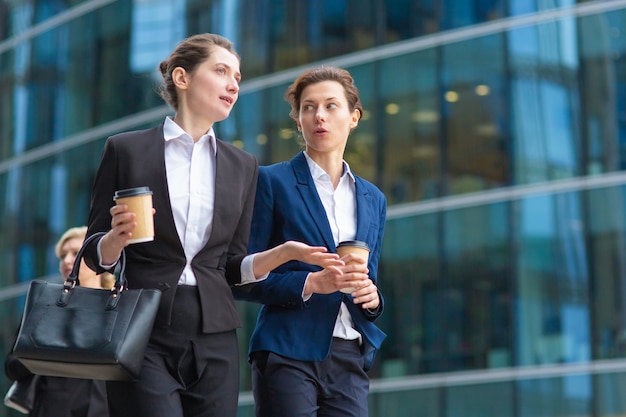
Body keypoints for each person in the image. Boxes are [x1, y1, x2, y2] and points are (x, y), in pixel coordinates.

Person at [81, 33, 342, 417]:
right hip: (141, 328)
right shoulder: (126, 149)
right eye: (221, 71)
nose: (233, 84)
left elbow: (232, 267)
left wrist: (280, 255)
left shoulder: (242, 165)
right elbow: (92, 251)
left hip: (214, 336)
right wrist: (116, 241)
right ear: (183, 78)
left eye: (237, 76)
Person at [233, 66, 387, 417]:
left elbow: (370, 277)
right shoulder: (271, 182)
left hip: (350, 353)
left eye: (331, 106)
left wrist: (373, 298)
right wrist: (310, 283)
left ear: (354, 117)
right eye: (308, 107)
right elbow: (241, 276)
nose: (319, 115)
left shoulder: (373, 198)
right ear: (298, 120)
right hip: (287, 349)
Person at [4, 226, 111, 417]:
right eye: (63, 255)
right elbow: (12, 366)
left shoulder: (120, 307)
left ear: (100, 261)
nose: (67, 260)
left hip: (108, 407)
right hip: (52, 407)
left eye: (76, 253)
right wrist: (43, 350)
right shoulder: (43, 306)